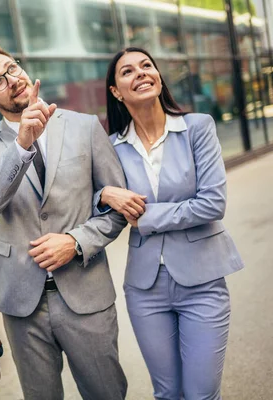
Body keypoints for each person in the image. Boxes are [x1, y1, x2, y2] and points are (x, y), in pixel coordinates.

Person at [0, 46, 128, 400]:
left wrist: (76, 241)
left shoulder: (84, 127)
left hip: (86, 292)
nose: (11, 80)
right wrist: (22, 144)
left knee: (108, 393)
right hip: (22, 301)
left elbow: (118, 205)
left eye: (11, 68)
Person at [100, 47, 244, 399]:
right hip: (145, 289)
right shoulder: (110, 147)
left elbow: (212, 203)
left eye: (147, 66)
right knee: (167, 394)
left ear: (159, 77)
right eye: (128, 71)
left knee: (201, 394)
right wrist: (105, 194)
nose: (141, 73)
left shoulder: (197, 127)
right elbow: (95, 200)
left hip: (203, 281)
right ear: (117, 92)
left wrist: (146, 216)